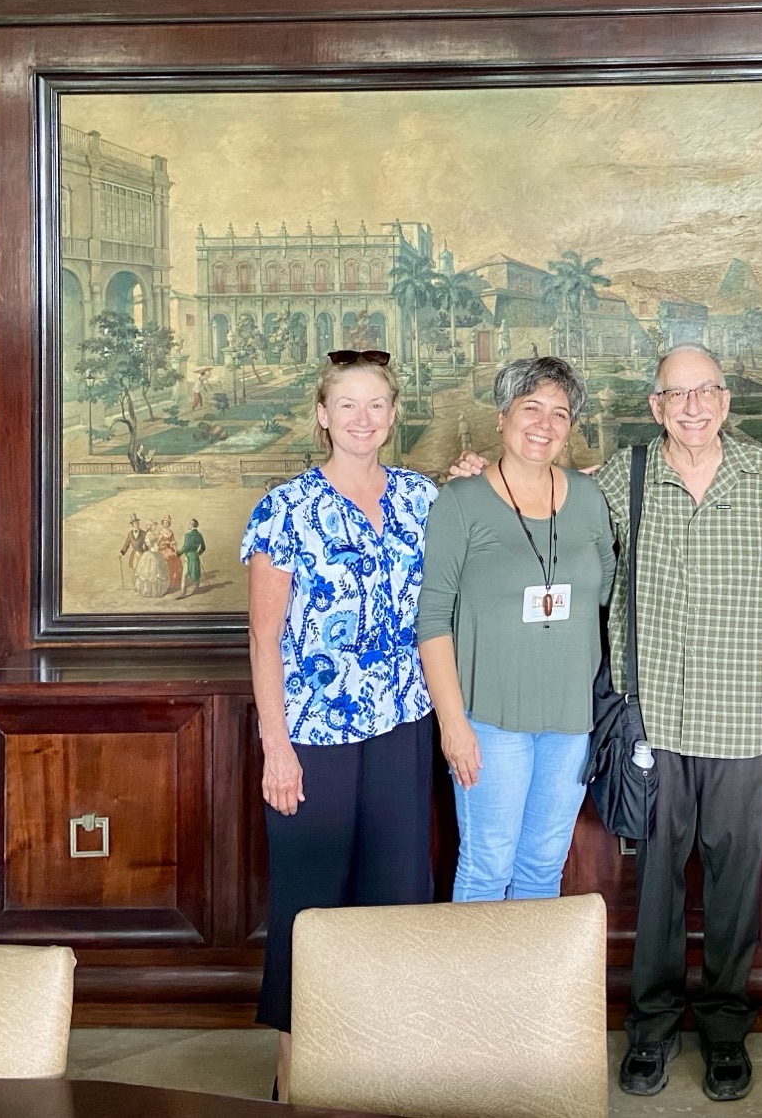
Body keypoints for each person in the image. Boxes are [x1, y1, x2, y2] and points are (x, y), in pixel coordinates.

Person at [240, 349, 437, 1102]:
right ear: (323, 415)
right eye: (347, 405)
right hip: (311, 735)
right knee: (309, 904)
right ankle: (294, 1076)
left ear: (393, 415)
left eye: (377, 405)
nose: (363, 418)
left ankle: (382, 1068)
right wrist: (276, 748)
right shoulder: (284, 509)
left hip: (401, 724)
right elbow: (264, 639)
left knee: (397, 897)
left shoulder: (423, 499)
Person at [600, 346, 762, 1104]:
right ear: (655, 405)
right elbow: (543, 506)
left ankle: (727, 1029)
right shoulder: (625, 475)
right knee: (659, 882)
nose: (693, 406)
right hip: (656, 716)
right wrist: (476, 479)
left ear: (726, 399)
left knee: (736, 882)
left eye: (705, 392)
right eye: (677, 394)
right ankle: (652, 1028)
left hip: (742, 714)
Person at [418, 357, 615, 901]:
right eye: (531, 408)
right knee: (487, 868)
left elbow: (606, 595)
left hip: (571, 723)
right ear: (502, 417)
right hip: (489, 724)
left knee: (542, 870)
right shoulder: (460, 501)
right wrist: (453, 725)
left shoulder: (590, 499)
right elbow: (432, 619)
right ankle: (474, 991)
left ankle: (531, 991)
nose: (544, 424)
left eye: (559, 413)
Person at [177, 518, 206, 596]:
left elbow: (185, 547)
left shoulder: (188, 535)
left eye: (190, 524)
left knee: (185, 575)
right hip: (195, 556)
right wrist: (198, 553)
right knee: (196, 572)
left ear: (192, 525)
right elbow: (203, 547)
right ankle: (196, 588)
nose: (188, 525)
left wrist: (178, 553)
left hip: (189, 557)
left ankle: (183, 593)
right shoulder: (199, 535)